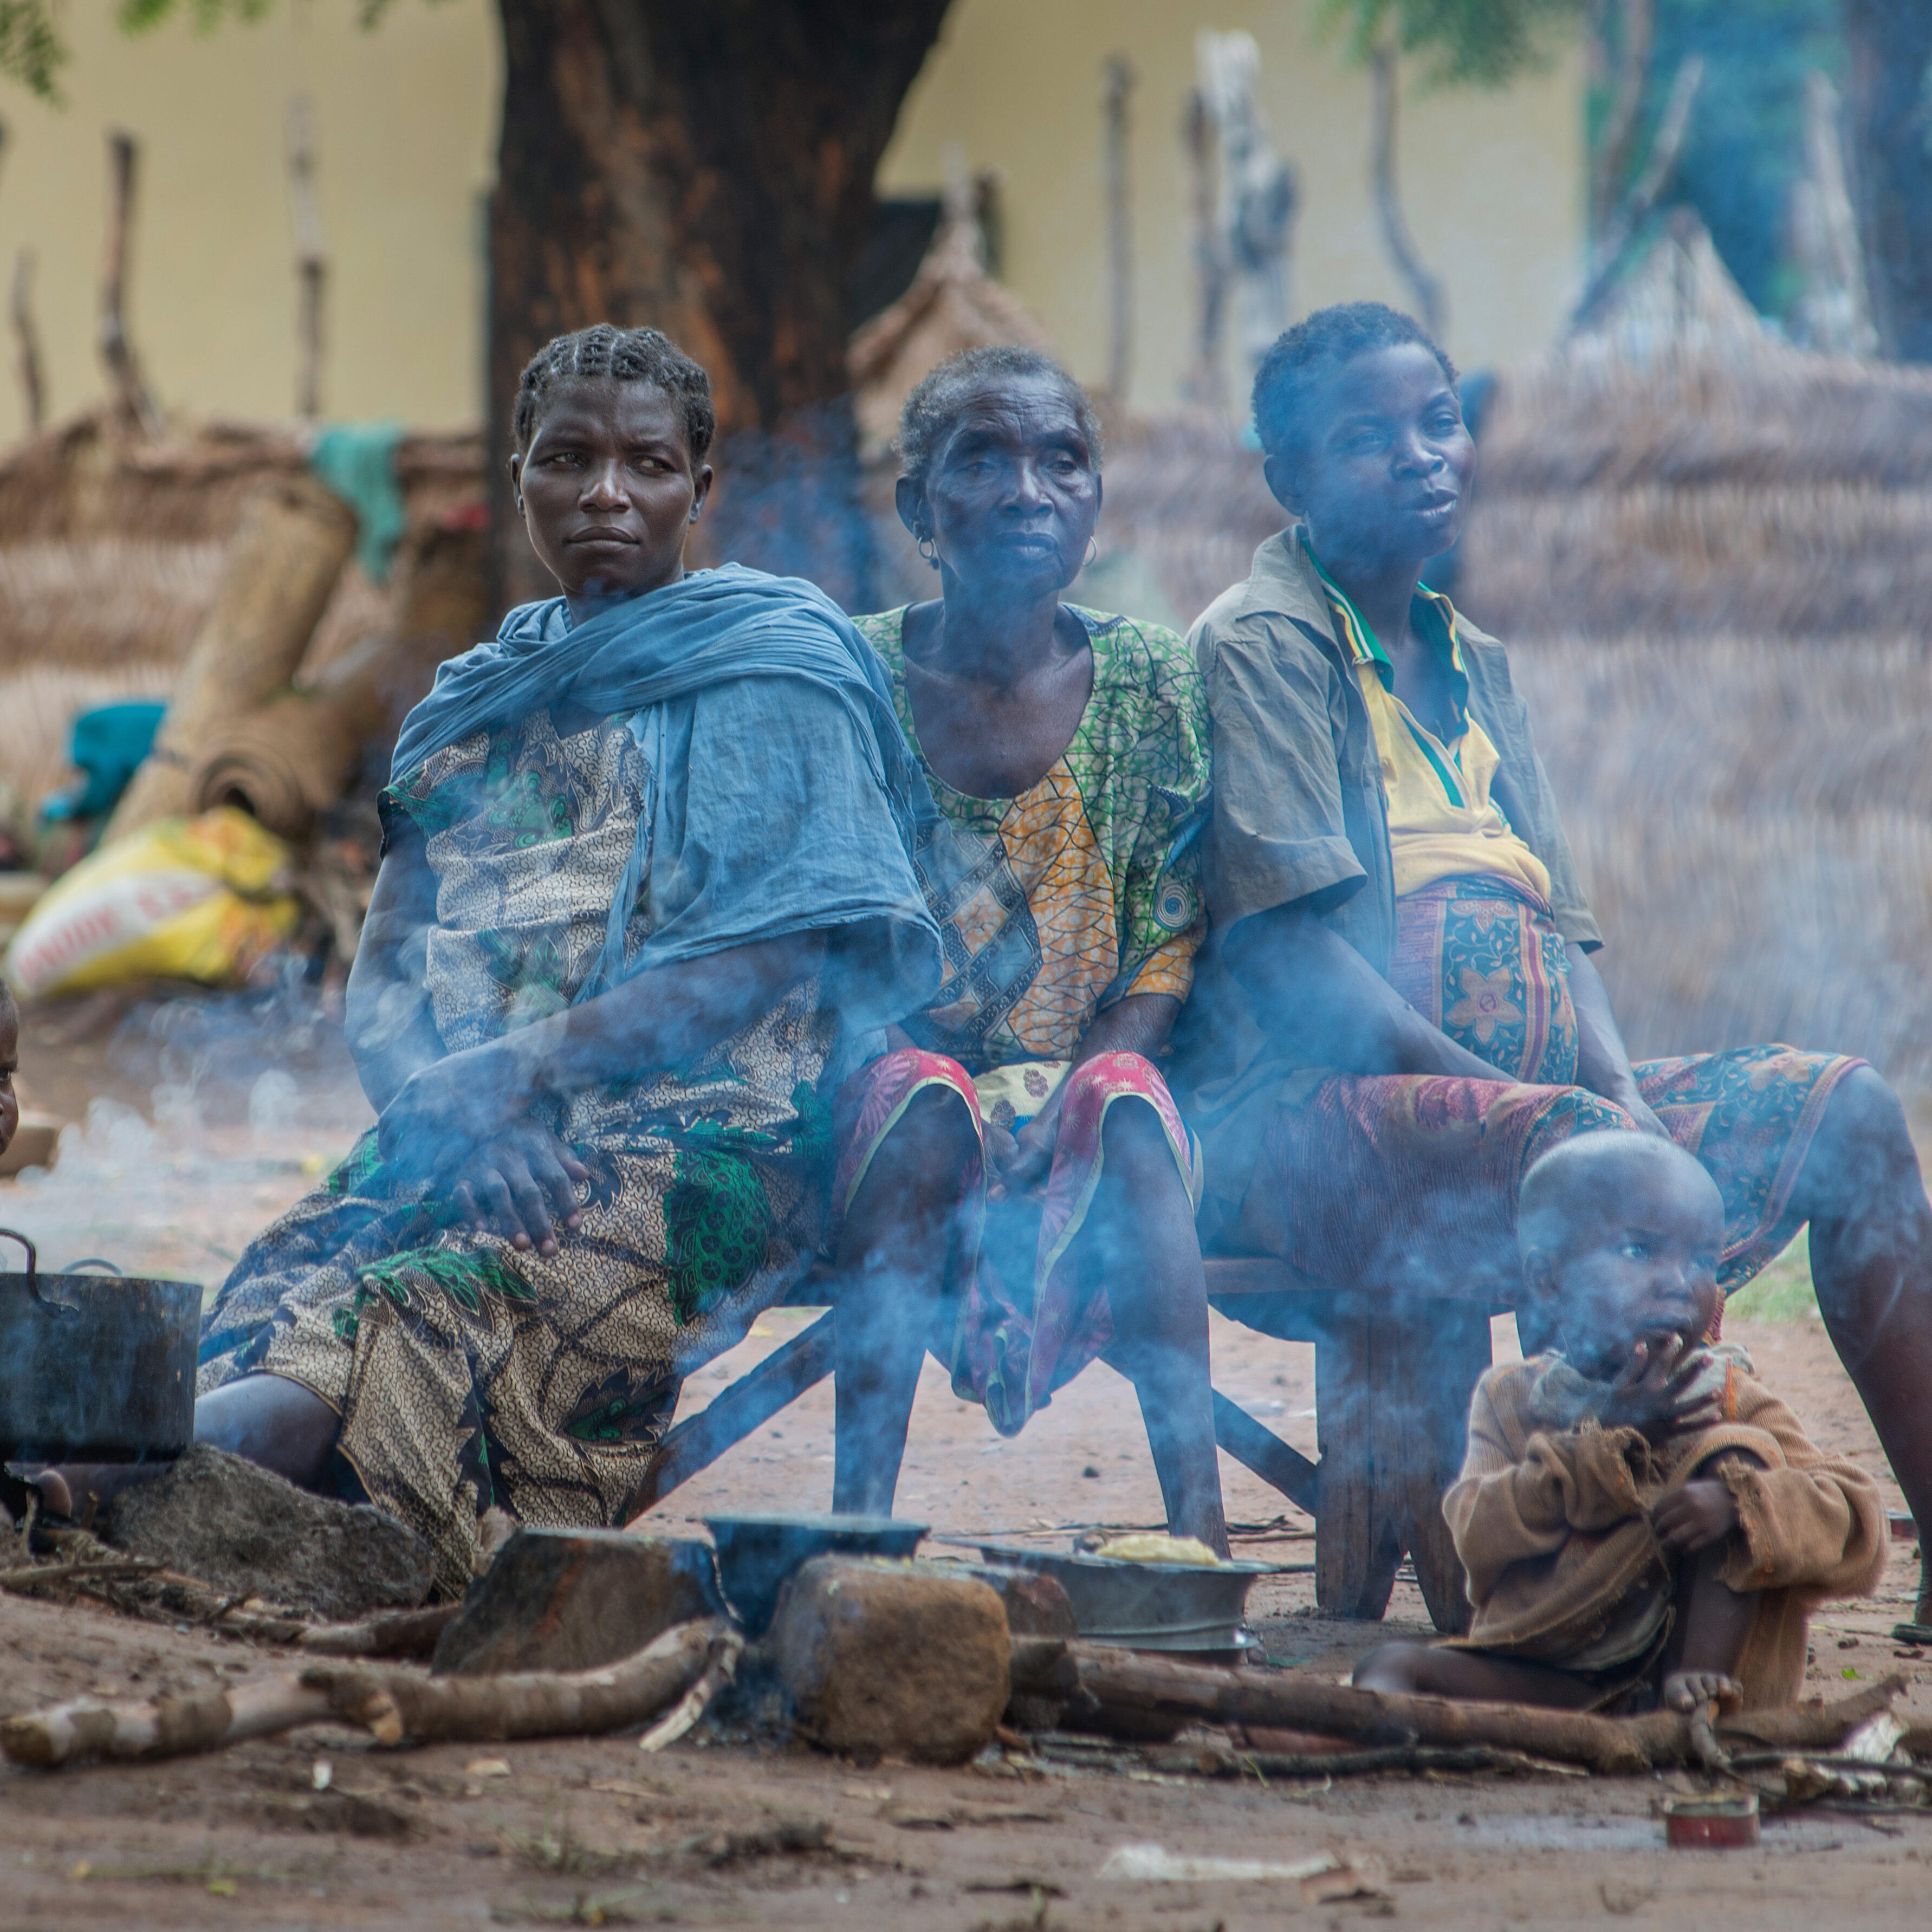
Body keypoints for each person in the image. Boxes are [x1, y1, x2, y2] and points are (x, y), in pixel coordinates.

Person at [43, 326, 941, 1593]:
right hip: (467, 1125)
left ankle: (73, 1495)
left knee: (411, 1311)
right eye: (568, 459)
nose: (607, 494)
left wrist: (514, 1074)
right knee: (273, 1294)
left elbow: (771, 954)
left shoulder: (773, 668)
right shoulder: (469, 705)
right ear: (519, 472)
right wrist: (465, 1108)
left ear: (701, 485)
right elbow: (387, 980)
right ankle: (150, 1505)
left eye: (647, 463)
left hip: (707, 1136)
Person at [1181, 300, 1932, 1634]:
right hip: (1315, 1122)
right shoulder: (1260, 644)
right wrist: (1553, 1118)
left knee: (1854, 1117)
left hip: (1524, 1113)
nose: (1421, 455)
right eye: (1366, 439)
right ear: (1287, 479)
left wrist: (1623, 1109)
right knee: (1588, 1171)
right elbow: (1293, 959)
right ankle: (1617, 1578)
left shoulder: (1480, 663)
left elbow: (1563, 935)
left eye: (1437, 420)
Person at [832, 346, 1228, 1553]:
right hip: (889, 1096)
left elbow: (1169, 929)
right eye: (982, 459)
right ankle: (854, 1543)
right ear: (918, 509)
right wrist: (939, 1078)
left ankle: (1198, 1549)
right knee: (920, 1099)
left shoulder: (1155, 680)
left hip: (1095, 1088)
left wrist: (1061, 1089)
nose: (1027, 490)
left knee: (1124, 1100)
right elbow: (829, 938)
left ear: (1096, 499)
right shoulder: (850, 674)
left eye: (1063, 459)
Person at [1354, 1133, 1885, 1711]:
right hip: (1555, 1677)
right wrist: (1601, 1443)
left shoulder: (1726, 1394)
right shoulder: (1514, 1398)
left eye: (1703, 1259)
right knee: (1390, 1664)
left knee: (1739, 1453)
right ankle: (1376, 1734)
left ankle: (1691, 1693)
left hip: (1699, 1689)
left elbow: (1857, 1518)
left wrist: (1738, 1507)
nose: (1679, 1281)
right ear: (1548, 1281)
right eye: (1639, 1251)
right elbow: (1475, 1531)